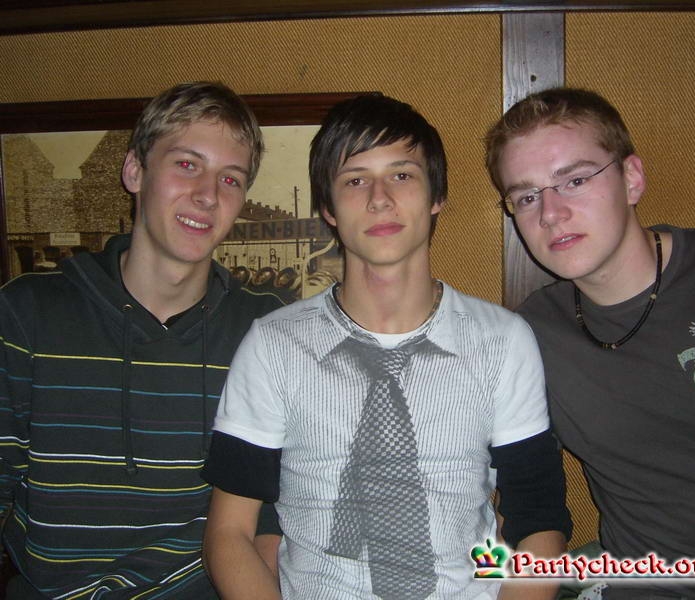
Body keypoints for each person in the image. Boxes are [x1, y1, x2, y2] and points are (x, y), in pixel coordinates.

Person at [202, 94, 572, 599]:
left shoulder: (503, 341)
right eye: (355, 180)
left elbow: (538, 521)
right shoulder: (274, 345)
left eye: (402, 175)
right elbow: (230, 534)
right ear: (328, 208)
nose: (380, 199)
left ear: (436, 195)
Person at [484, 87, 695, 600]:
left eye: (575, 180)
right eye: (526, 196)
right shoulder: (531, 333)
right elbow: (523, 493)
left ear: (631, 178)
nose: (550, 213)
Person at [0, 81, 284, 598]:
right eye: (187, 164)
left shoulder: (266, 329)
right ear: (134, 170)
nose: (208, 194)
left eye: (230, 178)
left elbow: (272, 514)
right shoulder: (26, 314)